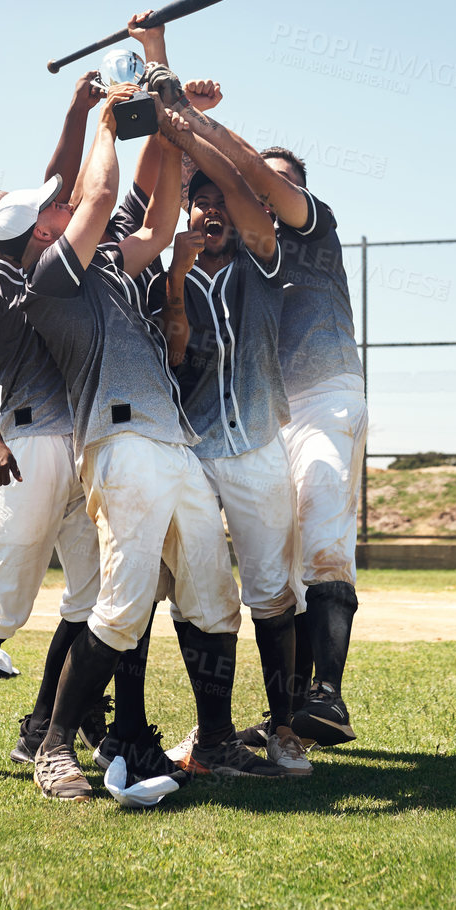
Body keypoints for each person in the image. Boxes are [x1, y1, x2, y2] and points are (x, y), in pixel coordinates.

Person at [15, 19, 282, 800]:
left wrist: (162, 104)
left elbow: (159, 220)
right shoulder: (52, 279)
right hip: (122, 438)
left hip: (174, 441)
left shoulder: (109, 261)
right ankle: (56, 746)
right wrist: (107, 117)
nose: (62, 206)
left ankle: (218, 739)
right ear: (38, 235)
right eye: (48, 209)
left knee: (211, 595)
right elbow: (98, 191)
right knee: (122, 603)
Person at [157, 91, 365, 749]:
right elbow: (206, 189)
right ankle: (290, 717)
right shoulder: (242, 251)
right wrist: (169, 104)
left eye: (280, 181)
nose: (268, 190)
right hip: (268, 414)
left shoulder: (309, 225)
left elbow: (248, 170)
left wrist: (188, 116)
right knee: (276, 562)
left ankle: (324, 696)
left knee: (323, 514)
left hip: (326, 394)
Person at [0, 72, 114, 786]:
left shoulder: (47, 263)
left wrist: (76, 111)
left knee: (96, 599)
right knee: (5, 603)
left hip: (92, 446)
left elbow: (57, 184)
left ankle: (43, 724)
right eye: (20, 211)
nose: (48, 209)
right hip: (30, 444)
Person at [155, 83, 310, 776]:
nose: (211, 212)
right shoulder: (172, 275)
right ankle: (214, 734)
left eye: (219, 204)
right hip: (192, 449)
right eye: (200, 204)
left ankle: (283, 728)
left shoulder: (261, 260)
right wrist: (176, 279)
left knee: (273, 591)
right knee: (199, 593)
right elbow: (175, 356)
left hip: (255, 443)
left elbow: (244, 196)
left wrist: (193, 120)